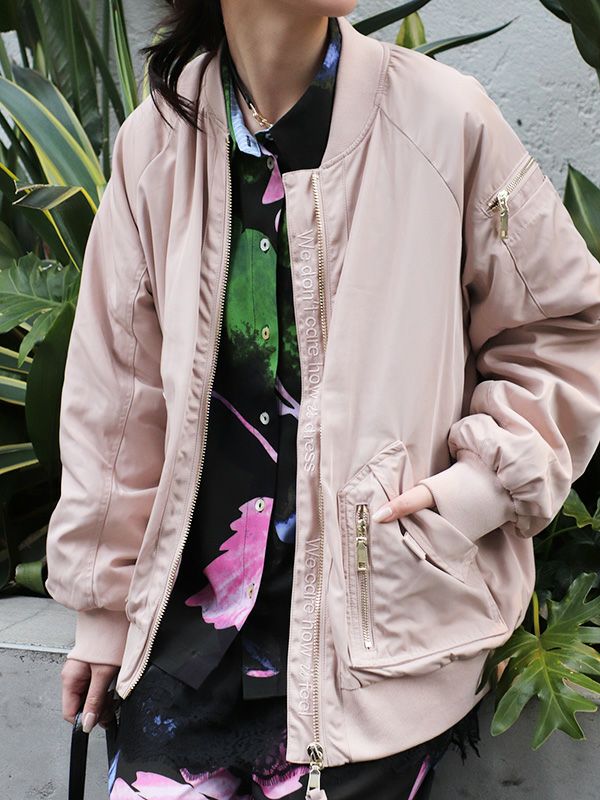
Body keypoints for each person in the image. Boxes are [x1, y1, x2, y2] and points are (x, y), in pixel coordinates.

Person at [44, 2, 600, 799]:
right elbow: (118, 398)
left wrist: (477, 489)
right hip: (187, 658)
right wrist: (102, 609)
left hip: (376, 659)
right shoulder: (157, 144)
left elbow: (563, 328)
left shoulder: (445, 123)